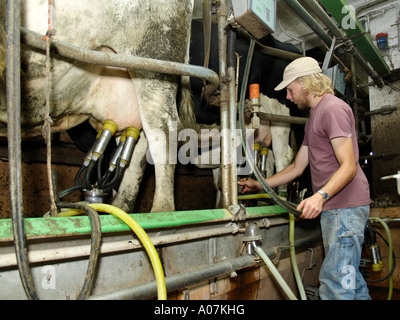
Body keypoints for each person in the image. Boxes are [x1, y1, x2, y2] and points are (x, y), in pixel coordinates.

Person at [238, 57, 371, 300]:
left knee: (336, 283)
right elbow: (297, 167)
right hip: (337, 209)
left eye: (290, 89)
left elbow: (349, 166)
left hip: (346, 208)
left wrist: (320, 196)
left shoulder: (333, 109)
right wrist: (260, 183)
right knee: (351, 281)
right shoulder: (315, 117)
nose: (288, 96)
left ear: (305, 83)